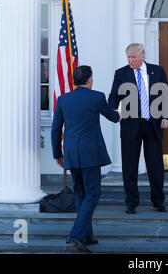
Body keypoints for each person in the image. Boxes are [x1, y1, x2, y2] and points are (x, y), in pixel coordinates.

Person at [51, 65, 120, 253]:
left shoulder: (63, 99)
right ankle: (76, 234)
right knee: (93, 193)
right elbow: (114, 117)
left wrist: (58, 154)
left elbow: (56, 129)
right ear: (89, 80)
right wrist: (120, 112)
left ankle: (86, 234)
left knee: (81, 193)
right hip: (90, 153)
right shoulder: (97, 97)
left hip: (72, 153)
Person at [108, 43, 168, 214]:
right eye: (128, 57)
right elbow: (114, 95)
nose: (130, 60)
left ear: (142, 56)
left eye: (133, 57)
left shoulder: (157, 71)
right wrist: (113, 110)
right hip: (130, 124)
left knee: (155, 165)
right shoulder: (121, 73)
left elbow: (165, 94)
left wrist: (166, 116)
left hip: (153, 124)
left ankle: (158, 201)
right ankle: (131, 202)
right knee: (129, 165)